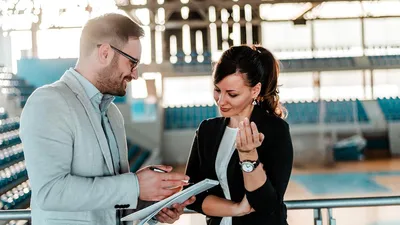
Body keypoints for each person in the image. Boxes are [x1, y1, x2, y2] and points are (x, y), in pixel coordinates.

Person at [19, 13, 194, 225]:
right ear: (104, 53)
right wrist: (136, 186)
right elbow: (50, 192)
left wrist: (152, 206)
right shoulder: (49, 102)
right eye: (132, 63)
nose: (135, 74)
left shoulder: (112, 114)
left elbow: (111, 201)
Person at [185, 45, 293, 225]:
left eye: (232, 94)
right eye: (217, 90)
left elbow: (266, 204)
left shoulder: (275, 130)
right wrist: (237, 209)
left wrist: (248, 157)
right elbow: (191, 195)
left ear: (255, 90)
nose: (221, 101)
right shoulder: (207, 130)